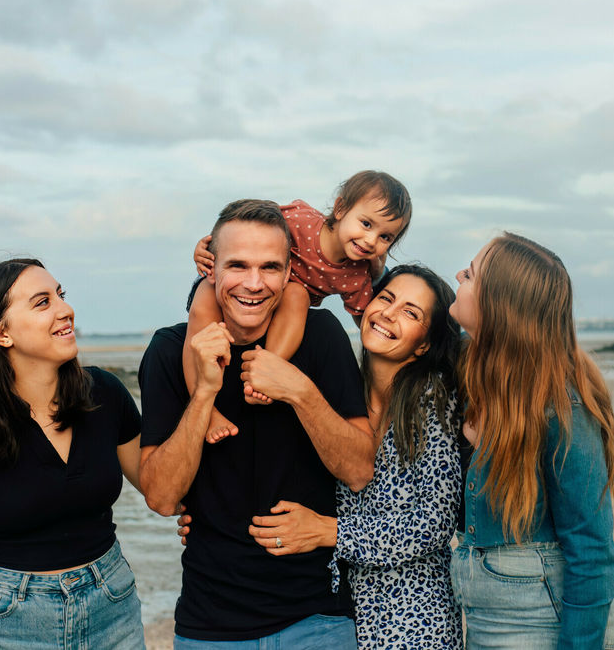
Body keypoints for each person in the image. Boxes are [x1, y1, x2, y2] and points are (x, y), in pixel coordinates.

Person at [182, 264, 465, 649]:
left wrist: (327, 531)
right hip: (338, 616)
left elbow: (433, 525)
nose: (389, 313)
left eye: (411, 313)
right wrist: (206, 517)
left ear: (424, 344)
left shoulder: (433, 402)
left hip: (413, 617)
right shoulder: (339, 391)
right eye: (386, 298)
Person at [138, 199, 378, 648]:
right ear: (210, 271)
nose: (253, 283)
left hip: (318, 618)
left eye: (269, 267)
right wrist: (205, 393)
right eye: (237, 266)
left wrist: (299, 390)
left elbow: (360, 470)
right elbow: (162, 496)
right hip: (210, 624)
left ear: (290, 272)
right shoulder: (171, 351)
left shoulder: (322, 335)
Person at [0, 258, 145, 649]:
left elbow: (165, 490)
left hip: (112, 605)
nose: (65, 309)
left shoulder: (106, 395)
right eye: (42, 302)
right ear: (1, 333)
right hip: (8, 623)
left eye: (61, 295)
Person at [449, 234, 614, 650]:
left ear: (498, 306)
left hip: (543, 618)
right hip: (484, 616)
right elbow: (405, 316)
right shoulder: (478, 369)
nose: (457, 275)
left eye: (470, 274)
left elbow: (593, 551)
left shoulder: (563, 407)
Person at [183, 171, 412, 443]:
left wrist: (378, 277)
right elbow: (244, 227)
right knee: (203, 307)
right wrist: (205, 246)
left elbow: (365, 321)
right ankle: (205, 408)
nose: (371, 240)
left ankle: (263, 370)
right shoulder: (300, 219)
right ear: (340, 209)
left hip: (283, 305)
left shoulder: (356, 275)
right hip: (241, 287)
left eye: (385, 237)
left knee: (297, 294)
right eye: (365, 223)